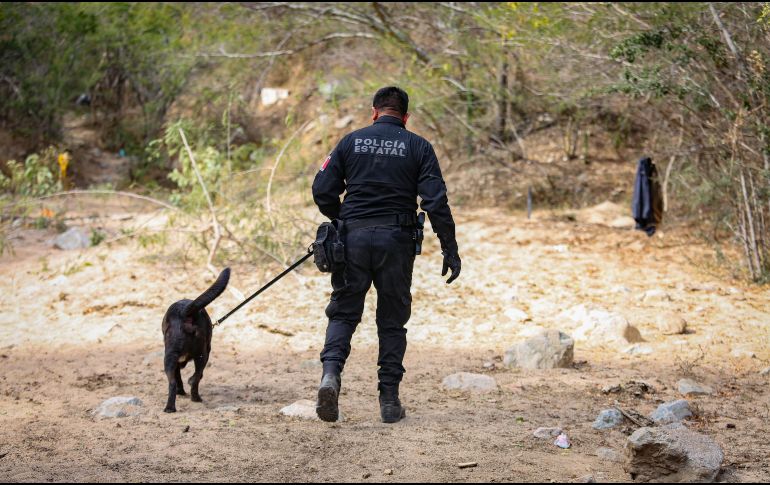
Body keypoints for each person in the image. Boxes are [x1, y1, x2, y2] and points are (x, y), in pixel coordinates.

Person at [311, 86, 461, 423]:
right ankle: (389, 401)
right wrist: (450, 249)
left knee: (344, 313)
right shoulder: (419, 146)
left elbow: (322, 190)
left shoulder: (351, 141)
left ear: (374, 112)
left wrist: (341, 218)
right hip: (397, 242)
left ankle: (330, 377)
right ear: (405, 117)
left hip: (352, 240)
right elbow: (435, 202)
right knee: (392, 321)